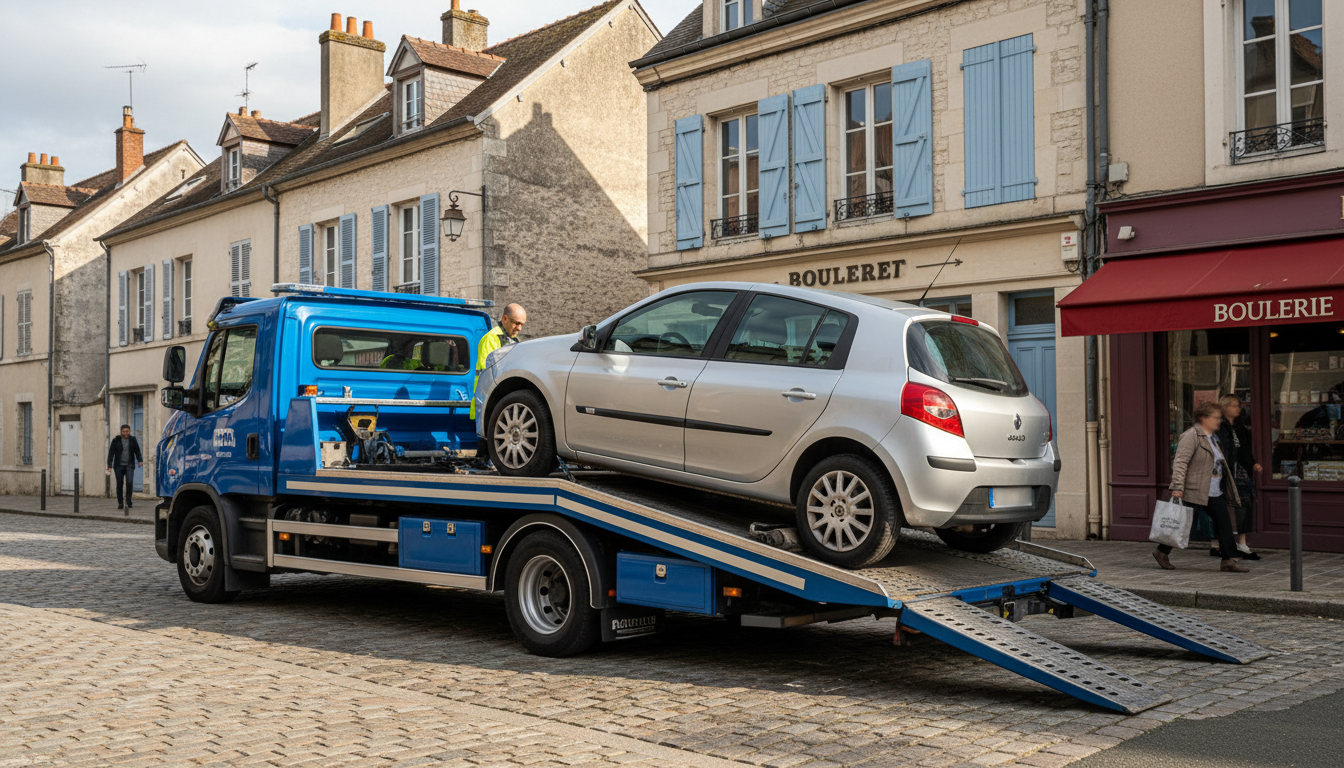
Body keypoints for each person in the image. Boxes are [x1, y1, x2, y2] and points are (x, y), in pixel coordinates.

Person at [1154, 401, 1249, 572]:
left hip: (1214, 489)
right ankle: (1161, 551)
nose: (1219, 421)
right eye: (1216, 417)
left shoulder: (1214, 437)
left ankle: (1228, 560)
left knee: (1224, 523)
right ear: (1204, 418)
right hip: (1194, 489)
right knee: (1182, 523)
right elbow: (1181, 462)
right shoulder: (1191, 435)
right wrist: (1177, 486)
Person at [1216, 394, 1262, 560]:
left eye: (1239, 406)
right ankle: (1217, 543)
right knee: (1218, 505)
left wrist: (1252, 464)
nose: (1238, 409)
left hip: (1240, 470)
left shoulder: (1240, 428)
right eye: (1234, 405)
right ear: (1225, 407)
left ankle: (1241, 542)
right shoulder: (1219, 426)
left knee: (1244, 501)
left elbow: (1244, 451)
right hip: (1222, 471)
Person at [471, 303, 526, 421]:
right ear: (504, 319)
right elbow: (488, 375)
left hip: (499, 404)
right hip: (488, 404)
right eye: (516, 323)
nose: (519, 328)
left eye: (522, 324)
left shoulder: (511, 340)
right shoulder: (491, 339)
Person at [106, 425, 143, 510]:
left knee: (129, 483)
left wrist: (139, 460)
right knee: (119, 484)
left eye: (127, 431)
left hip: (129, 465)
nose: (125, 433)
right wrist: (109, 465)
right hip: (118, 466)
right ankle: (120, 503)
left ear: (129, 432)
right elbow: (111, 453)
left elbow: (137, 450)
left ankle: (129, 501)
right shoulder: (116, 441)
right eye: (123, 431)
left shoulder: (133, 440)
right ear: (121, 432)